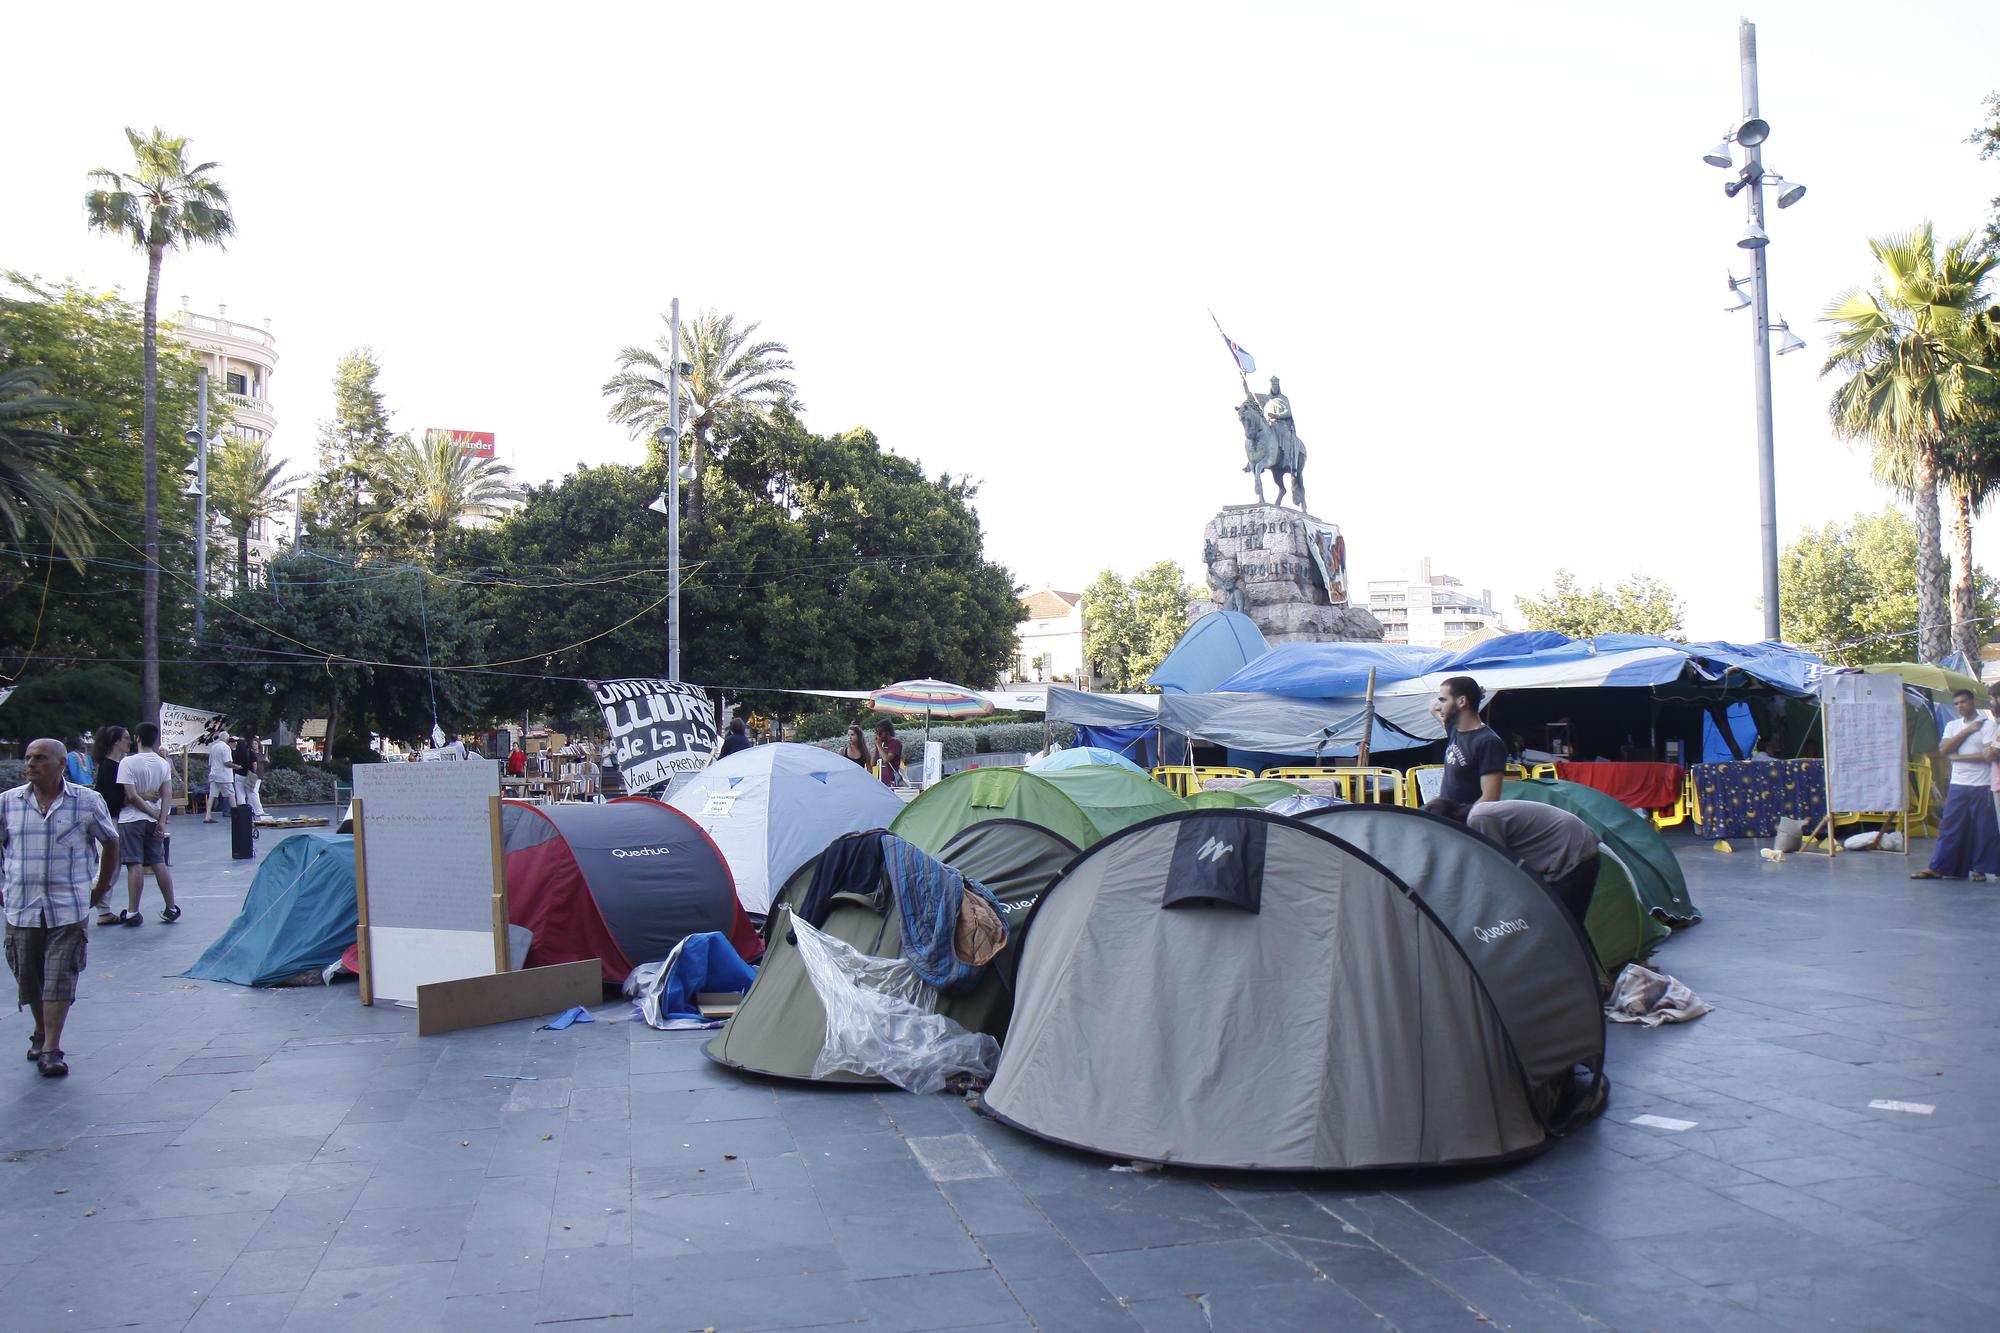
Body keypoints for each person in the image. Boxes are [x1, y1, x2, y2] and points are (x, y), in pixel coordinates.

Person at [1, 738, 121, 1076]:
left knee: (59, 977)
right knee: (29, 976)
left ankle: (52, 1047)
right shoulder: (8, 803)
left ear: (60, 764)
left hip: (68, 906)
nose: (31, 764)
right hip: (21, 906)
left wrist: (103, 885)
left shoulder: (86, 802)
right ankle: (41, 1029)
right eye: (28, 758)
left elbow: (110, 841)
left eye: (39, 758)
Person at [1426, 797, 1600, 925]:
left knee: (1560, 924)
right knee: (1568, 922)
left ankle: (1573, 973)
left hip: (1572, 853)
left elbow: (1500, 870)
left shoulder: (1479, 820)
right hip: (1578, 847)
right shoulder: (1480, 813)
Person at [1917, 688, 2000, 880]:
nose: (1960, 706)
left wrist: (1960, 758)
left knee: (1981, 828)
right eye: (1956, 703)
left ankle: (1980, 869)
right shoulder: (1953, 726)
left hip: (1982, 784)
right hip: (1958, 783)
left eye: (1963, 702)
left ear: (1972, 702)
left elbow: (1988, 755)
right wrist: (1968, 731)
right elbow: (1944, 749)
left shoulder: (1987, 725)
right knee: (1950, 826)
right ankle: (1939, 866)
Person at [115, 722, 181, 924]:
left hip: (131, 819)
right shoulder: (163, 763)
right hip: (154, 822)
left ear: (137, 738)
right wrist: (160, 819)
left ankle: (133, 911)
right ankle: (171, 907)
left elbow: (131, 796)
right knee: (158, 862)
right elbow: (167, 793)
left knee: (134, 863)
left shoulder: (127, 763)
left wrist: (150, 811)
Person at [1433, 675, 1506, 805]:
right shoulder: (1453, 729)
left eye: (1443, 700)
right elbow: (1432, 707)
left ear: (1461, 701)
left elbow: (1490, 799)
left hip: (1465, 824)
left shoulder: (1488, 742)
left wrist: (1455, 817)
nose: (1439, 707)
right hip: (1446, 822)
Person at [90, 728, 131, 926]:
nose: (129, 742)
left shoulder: (112, 765)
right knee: (107, 867)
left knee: (112, 867)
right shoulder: (110, 766)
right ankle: (88, 902)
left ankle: (103, 910)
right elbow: (110, 798)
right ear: (116, 741)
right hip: (109, 820)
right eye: (126, 739)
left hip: (112, 819)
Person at [232, 733, 265, 836]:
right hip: (249, 774)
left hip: (238, 775)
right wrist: (253, 772)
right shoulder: (249, 752)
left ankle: (242, 810)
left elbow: (231, 763)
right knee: (251, 792)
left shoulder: (234, 753)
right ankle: (258, 810)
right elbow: (254, 763)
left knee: (240, 793)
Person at [203, 729, 234, 822]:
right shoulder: (226, 748)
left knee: (212, 795)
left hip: (214, 774)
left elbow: (210, 763)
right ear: (227, 739)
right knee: (231, 794)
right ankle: (237, 814)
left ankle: (208, 815)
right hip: (224, 775)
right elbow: (227, 762)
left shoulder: (213, 747)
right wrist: (236, 766)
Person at [874, 721, 905, 786]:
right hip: (881, 781)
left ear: (887, 731)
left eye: (880, 732)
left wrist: (878, 745)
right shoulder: (881, 744)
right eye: (877, 732)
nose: (878, 735)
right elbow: (872, 763)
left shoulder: (895, 743)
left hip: (892, 781)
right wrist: (877, 747)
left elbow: (887, 759)